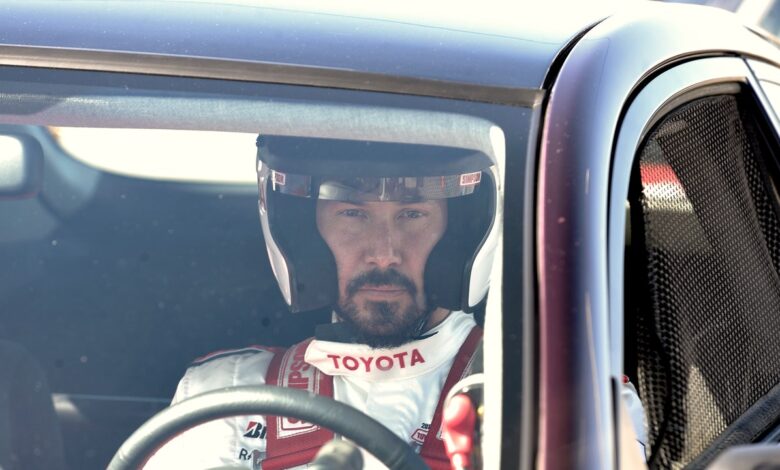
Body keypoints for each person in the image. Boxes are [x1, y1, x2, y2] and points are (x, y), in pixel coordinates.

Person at [144, 135, 646, 469]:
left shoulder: (563, 399)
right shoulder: (224, 394)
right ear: (307, 232)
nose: (383, 253)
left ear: (459, 230)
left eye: (411, 214)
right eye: (352, 214)